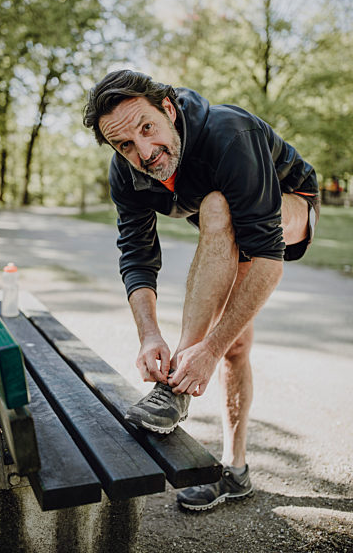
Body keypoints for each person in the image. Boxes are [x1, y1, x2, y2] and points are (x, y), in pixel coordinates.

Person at [83, 69, 320, 512]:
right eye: (125, 145)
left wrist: (204, 349)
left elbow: (270, 258)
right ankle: (236, 470)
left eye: (148, 128)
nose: (144, 151)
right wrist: (149, 334)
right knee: (236, 345)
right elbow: (136, 256)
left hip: (289, 203)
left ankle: (171, 393)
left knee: (216, 206)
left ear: (168, 108)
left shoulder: (230, 135)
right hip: (227, 218)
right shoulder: (126, 172)